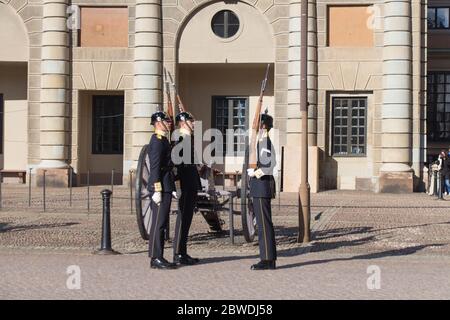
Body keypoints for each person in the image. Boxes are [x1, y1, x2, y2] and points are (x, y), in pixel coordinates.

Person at [247, 112, 277, 270]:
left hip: (262, 186)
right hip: (259, 187)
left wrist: (255, 173)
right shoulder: (260, 141)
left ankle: (267, 259)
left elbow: (269, 166)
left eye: (257, 123)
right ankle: (268, 258)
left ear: (263, 126)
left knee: (264, 224)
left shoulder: (264, 142)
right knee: (263, 223)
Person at [147, 111, 177, 270]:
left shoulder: (164, 140)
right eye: (166, 121)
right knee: (158, 224)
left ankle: (159, 256)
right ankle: (155, 257)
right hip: (160, 186)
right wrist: (156, 189)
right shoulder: (157, 141)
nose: (169, 123)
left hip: (166, 185)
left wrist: (171, 187)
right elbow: (155, 168)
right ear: (159, 123)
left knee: (162, 223)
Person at [172, 111, 202, 266]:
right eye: (191, 121)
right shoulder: (181, 139)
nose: (194, 123)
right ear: (183, 123)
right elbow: (176, 167)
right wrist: (178, 188)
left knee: (187, 219)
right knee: (183, 219)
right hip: (184, 185)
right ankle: (178, 253)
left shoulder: (188, 139)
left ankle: (182, 252)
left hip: (190, 184)